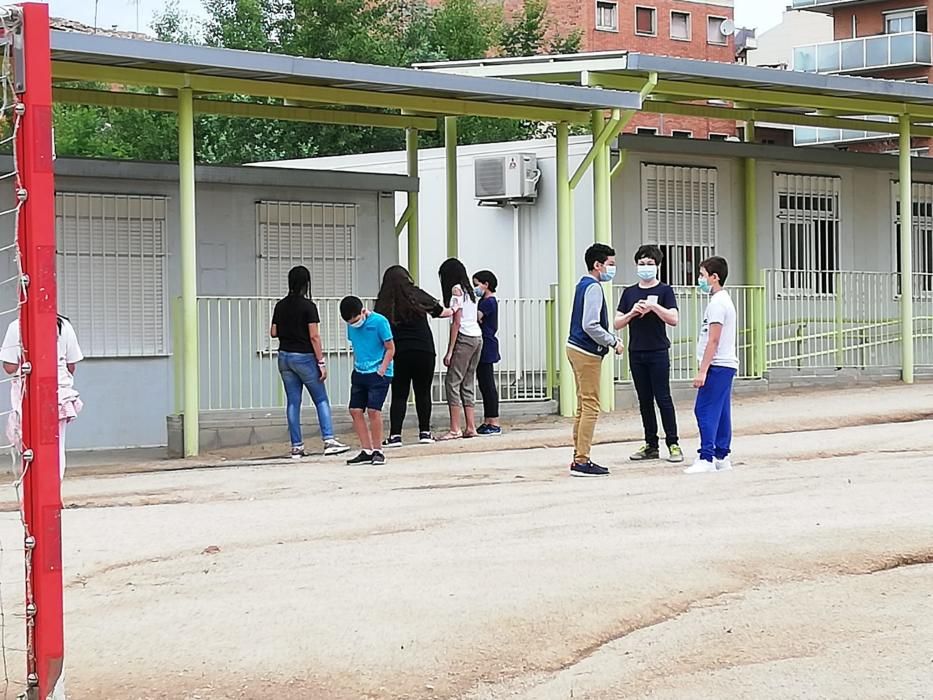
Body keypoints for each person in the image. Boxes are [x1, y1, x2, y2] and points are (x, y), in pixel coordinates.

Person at [271, 265, 349, 459]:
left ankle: (296, 446)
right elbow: (314, 336)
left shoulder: (280, 305)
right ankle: (329, 440)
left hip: (284, 357)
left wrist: (288, 331)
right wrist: (321, 362)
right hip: (304, 357)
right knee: (320, 399)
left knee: (293, 402)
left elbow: (273, 332)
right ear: (306, 284)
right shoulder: (308, 306)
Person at [615, 245, 683, 464]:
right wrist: (633, 312)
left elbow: (673, 319)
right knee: (644, 400)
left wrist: (654, 308)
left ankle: (673, 442)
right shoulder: (629, 292)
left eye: (650, 264)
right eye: (642, 264)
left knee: (663, 398)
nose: (646, 267)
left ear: (657, 266)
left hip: (658, 351)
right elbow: (617, 323)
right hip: (636, 352)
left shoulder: (665, 290)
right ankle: (650, 444)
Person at [374, 265, 452, 448]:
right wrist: (454, 310)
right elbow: (441, 311)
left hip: (399, 352)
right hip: (424, 349)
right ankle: (425, 432)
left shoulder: (383, 302)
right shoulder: (415, 294)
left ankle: (395, 436)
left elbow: (379, 329)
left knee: (399, 394)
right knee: (423, 391)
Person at [566, 243, 625, 477]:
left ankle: (578, 455)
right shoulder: (594, 288)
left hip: (575, 348)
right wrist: (613, 341)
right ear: (597, 265)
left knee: (583, 406)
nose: (612, 269)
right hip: (587, 352)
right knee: (591, 406)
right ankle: (582, 460)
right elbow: (590, 324)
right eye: (610, 264)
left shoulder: (582, 285)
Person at [1, 315, 83, 480]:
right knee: (56, 446)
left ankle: (32, 491)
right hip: (59, 395)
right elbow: (71, 364)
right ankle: (54, 489)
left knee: (28, 445)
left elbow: (9, 367)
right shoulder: (64, 325)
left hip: (27, 394)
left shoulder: (16, 326)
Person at [685, 256, 739, 475]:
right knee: (722, 411)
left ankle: (706, 456)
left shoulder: (717, 303)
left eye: (702, 275)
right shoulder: (724, 300)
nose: (700, 280)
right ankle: (722, 455)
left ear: (714, 277)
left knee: (704, 409)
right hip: (725, 364)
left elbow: (713, 340)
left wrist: (703, 370)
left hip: (718, 365)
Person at [340, 295, 395, 466]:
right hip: (359, 371)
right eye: (350, 322)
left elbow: (390, 348)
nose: (353, 324)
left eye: (355, 320)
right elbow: (356, 346)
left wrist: (382, 369)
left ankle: (378, 450)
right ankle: (366, 450)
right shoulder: (351, 326)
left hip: (378, 372)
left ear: (363, 311)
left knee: (373, 410)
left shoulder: (379, 322)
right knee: (355, 410)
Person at [437, 258, 483, 440]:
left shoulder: (455, 290)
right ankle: (471, 426)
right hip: (477, 337)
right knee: (468, 382)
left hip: (464, 337)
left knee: (452, 382)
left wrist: (450, 350)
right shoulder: (469, 290)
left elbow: (456, 322)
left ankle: (455, 428)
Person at [473, 269, 501, 436]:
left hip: (487, 345)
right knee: (484, 384)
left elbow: (477, 316)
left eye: (477, 284)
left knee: (488, 383)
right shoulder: (485, 301)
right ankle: (488, 420)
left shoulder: (489, 302)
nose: (475, 288)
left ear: (486, 284)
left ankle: (494, 420)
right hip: (484, 343)